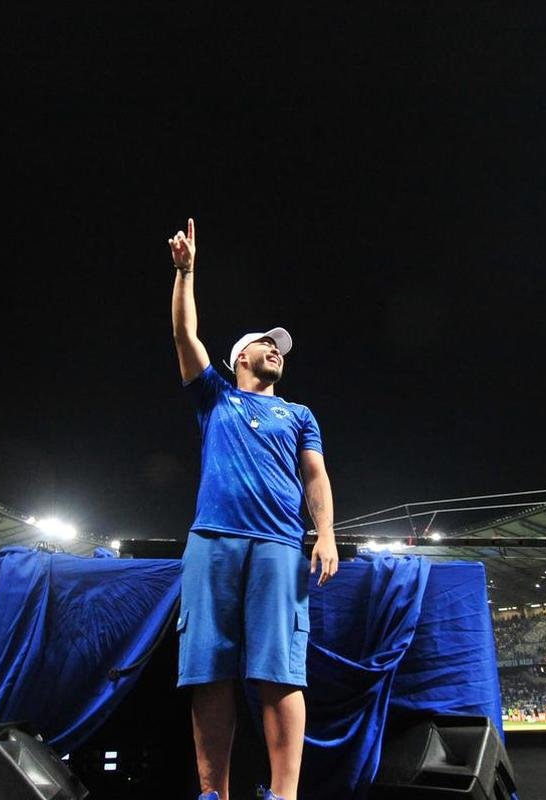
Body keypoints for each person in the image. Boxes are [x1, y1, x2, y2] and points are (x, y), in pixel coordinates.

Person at [169, 218, 339, 800]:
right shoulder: (214, 397)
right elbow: (185, 334)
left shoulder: (299, 414)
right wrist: (186, 272)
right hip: (212, 539)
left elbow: (315, 475)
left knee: (280, 672)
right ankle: (212, 794)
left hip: (278, 544)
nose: (276, 351)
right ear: (240, 357)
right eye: (266, 343)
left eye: (279, 347)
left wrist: (325, 534)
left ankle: (284, 796)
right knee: (209, 672)